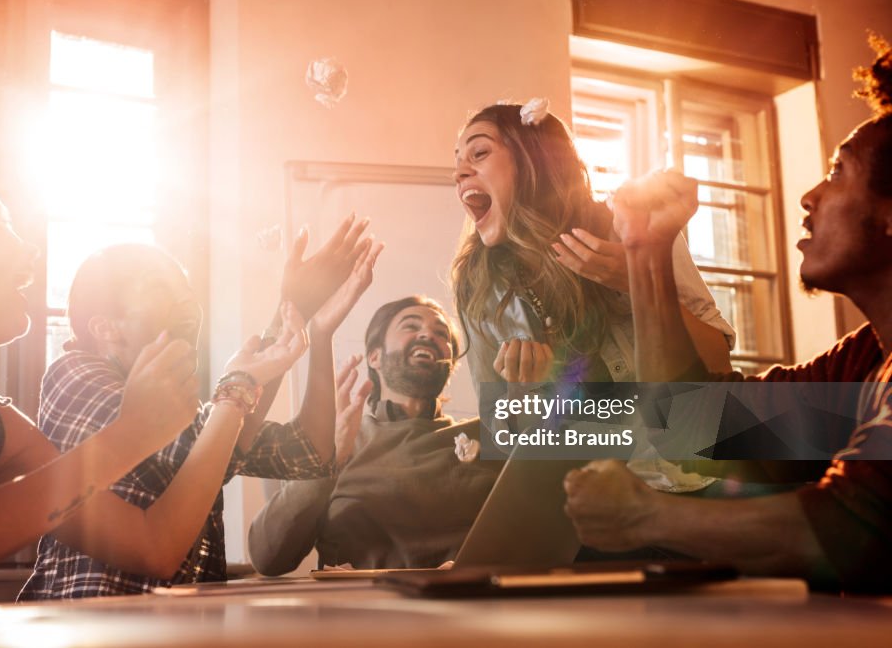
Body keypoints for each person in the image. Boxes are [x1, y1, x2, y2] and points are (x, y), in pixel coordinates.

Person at [0, 169, 309, 609]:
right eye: (3, 224)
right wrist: (132, 433)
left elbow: (155, 544)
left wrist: (236, 391)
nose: (31, 248)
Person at [563, 34, 892, 593]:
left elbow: (855, 530)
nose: (810, 195)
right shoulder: (865, 360)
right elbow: (698, 425)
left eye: (839, 171)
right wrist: (646, 251)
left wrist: (646, 517)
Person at [19, 231, 382, 599]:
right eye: (161, 288)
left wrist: (316, 330)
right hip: (92, 623)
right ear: (104, 327)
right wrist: (242, 383)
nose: (187, 304)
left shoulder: (192, 413)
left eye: (186, 291)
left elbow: (310, 452)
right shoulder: (74, 375)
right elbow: (193, 449)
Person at [449, 101, 734, 492]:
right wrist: (521, 395)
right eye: (458, 161)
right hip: (594, 506)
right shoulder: (477, 286)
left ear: (534, 159)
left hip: (701, 477)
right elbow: (504, 437)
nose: (459, 171)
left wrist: (637, 281)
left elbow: (717, 360)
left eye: (479, 153)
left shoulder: (633, 226)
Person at [247, 296, 502, 575]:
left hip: (472, 604)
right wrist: (327, 461)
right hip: (361, 609)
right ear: (374, 356)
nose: (428, 334)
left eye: (441, 334)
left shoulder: (490, 433)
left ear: (450, 365)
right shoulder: (331, 441)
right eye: (410, 326)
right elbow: (268, 558)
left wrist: (533, 389)